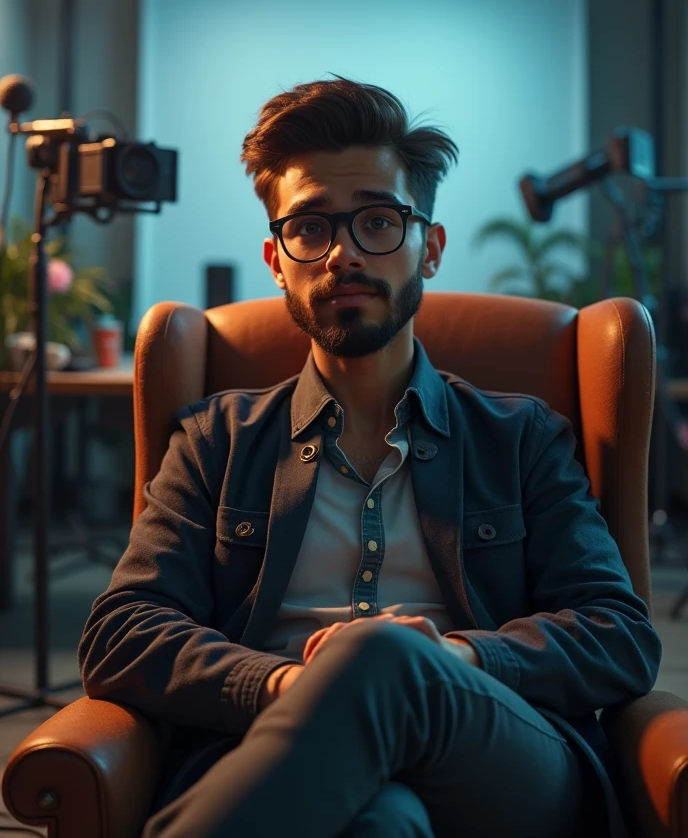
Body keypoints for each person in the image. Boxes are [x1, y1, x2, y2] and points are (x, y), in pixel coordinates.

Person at [78, 77, 662, 838]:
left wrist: (461, 659)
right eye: (311, 228)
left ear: (430, 248)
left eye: (378, 222)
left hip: (500, 758)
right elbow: (122, 631)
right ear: (277, 259)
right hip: (275, 752)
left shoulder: (521, 437)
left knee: (384, 656)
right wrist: (283, 683)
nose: (343, 253)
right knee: (381, 823)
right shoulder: (216, 439)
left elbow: (619, 633)